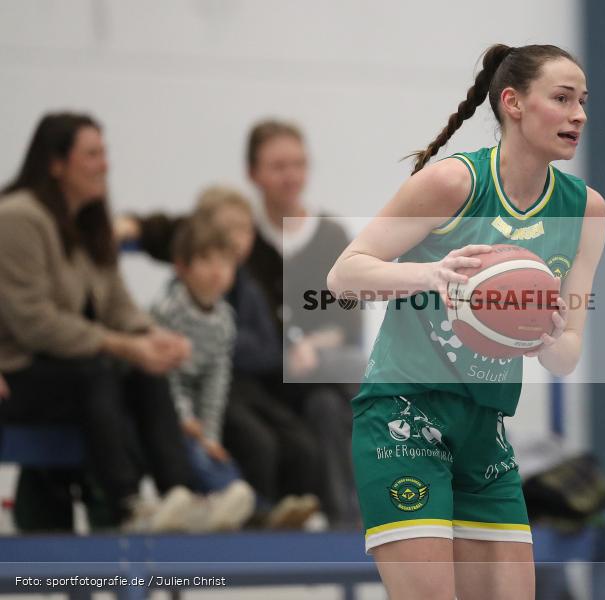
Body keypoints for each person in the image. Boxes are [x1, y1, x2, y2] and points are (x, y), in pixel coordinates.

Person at [327, 44, 605, 600]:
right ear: (514, 103)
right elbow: (344, 274)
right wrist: (432, 276)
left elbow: (568, 350)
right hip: (403, 417)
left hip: (484, 425)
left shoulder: (585, 210)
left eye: (583, 101)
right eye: (562, 99)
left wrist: (551, 336)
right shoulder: (454, 183)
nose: (579, 114)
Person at [116, 120, 362, 527]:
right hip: (251, 377)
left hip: (306, 376)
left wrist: (312, 346)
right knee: (257, 429)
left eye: (298, 164)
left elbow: (348, 318)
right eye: (278, 165)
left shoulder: (331, 235)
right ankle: (262, 509)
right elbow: (180, 234)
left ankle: (337, 518)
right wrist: (133, 226)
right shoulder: (232, 234)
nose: (291, 176)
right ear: (254, 174)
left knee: (325, 407)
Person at [0, 112, 196, 531]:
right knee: (100, 373)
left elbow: (119, 306)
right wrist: (123, 345)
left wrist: (153, 337)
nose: (104, 164)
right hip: (20, 374)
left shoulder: (90, 223)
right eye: (92, 154)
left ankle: (182, 497)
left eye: (104, 153)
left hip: (71, 370)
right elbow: (35, 323)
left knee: (145, 372)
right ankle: (126, 504)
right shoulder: (18, 217)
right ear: (56, 163)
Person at [153, 189, 321, 529]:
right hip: (199, 395)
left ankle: (289, 510)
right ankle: (255, 513)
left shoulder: (245, 291)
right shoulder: (175, 302)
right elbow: (175, 368)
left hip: (243, 385)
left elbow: (268, 349)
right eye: (228, 228)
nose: (238, 239)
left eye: (246, 229)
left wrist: (223, 346)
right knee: (258, 442)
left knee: (300, 439)